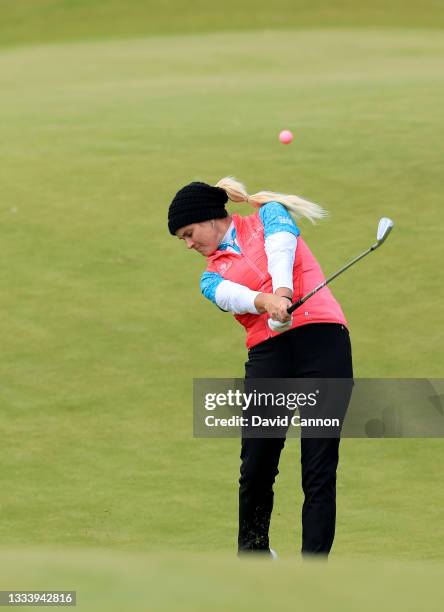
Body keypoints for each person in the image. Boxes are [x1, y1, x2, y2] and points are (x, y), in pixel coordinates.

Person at [167, 177, 353, 558]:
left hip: (324, 342)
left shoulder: (267, 215)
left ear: (208, 218)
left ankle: (314, 571)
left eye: (188, 233)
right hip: (270, 356)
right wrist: (266, 303)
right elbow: (232, 295)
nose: (189, 244)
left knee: (318, 468)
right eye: (182, 240)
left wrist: (282, 293)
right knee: (256, 465)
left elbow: (281, 247)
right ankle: (253, 555)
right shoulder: (209, 277)